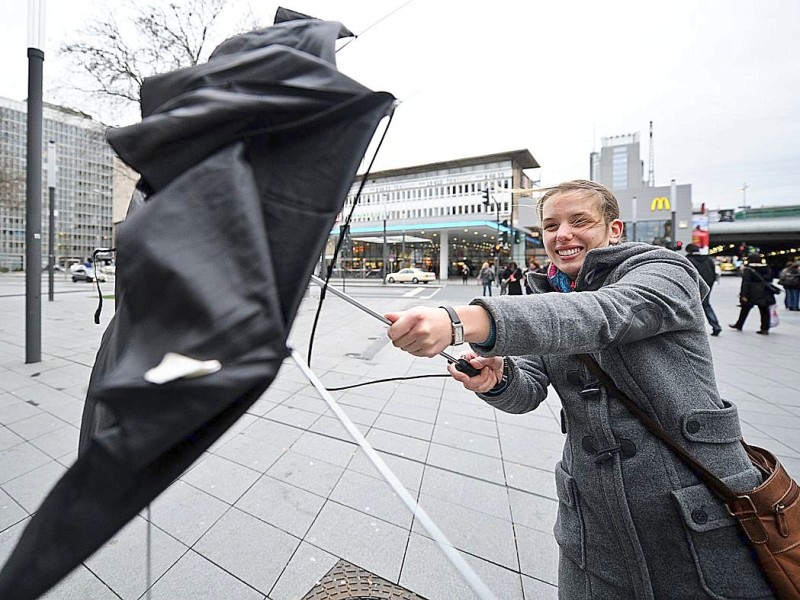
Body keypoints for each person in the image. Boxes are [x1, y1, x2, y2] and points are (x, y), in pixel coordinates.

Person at [385, 180, 771, 599]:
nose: (561, 234)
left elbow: (605, 313)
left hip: (695, 500)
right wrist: (498, 379)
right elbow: (528, 390)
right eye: (550, 226)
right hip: (593, 515)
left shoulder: (664, 272)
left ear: (615, 229)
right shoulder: (548, 292)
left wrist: (464, 320)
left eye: (579, 221)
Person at [729, 255, 777, 335]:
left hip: (751, 293)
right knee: (764, 311)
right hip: (764, 292)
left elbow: (745, 283)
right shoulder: (767, 268)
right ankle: (765, 328)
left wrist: (743, 295)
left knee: (745, 309)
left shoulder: (748, 269)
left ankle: (739, 324)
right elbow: (770, 279)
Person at [684, 243, 722, 336]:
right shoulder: (709, 259)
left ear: (689, 251)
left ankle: (692, 329)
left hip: (693, 285)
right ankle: (715, 325)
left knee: (692, 306)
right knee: (706, 304)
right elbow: (714, 273)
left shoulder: (689, 260)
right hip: (708, 285)